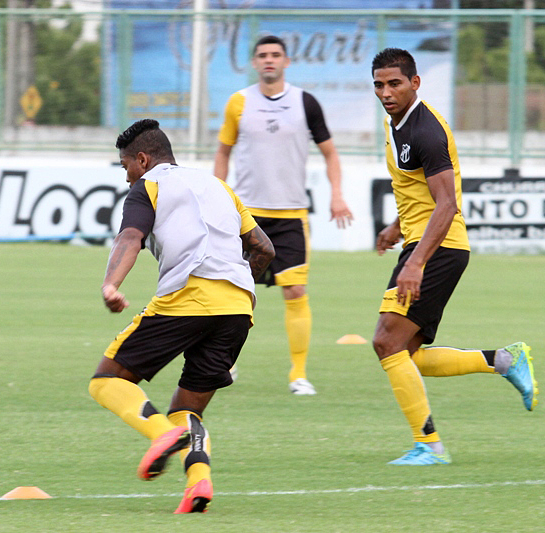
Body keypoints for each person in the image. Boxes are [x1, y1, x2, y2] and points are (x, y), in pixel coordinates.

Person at [88, 119, 274, 513]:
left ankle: (161, 436)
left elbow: (130, 237)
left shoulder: (148, 186)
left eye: (126, 168)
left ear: (142, 159)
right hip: (238, 307)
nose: (126, 179)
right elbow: (264, 248)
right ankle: (198, 485)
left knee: (107, 380)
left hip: (188, 296)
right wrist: (241, 284)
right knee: (187, 410)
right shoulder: (218, 186)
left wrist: (111, 284)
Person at [371, 47, 537, 465]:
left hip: (438, 248)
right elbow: (418, 191)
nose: (386, 92)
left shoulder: (426, 131)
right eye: (379, 84)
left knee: (386, 341)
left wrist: (415, 263)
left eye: (394, 83)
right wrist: (396, 226)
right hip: (422, 242)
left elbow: (447, 204)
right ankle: (504, 360)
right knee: (407, 356)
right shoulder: (397, 124)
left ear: (415, 83)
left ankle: (429, 446)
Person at [213, 34, 353, 396]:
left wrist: (337, 194)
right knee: (233, 292)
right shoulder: (238, 103)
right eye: (262, 55)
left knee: (295, 290)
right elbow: (224, 153)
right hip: (247, 215)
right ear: (254, 62)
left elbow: (331, 154)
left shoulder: (305, 103)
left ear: (286, 61)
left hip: (291, 216)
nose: (269, 60)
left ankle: (299, 375)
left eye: (276, 55)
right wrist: (215, 197)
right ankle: (225, 362)